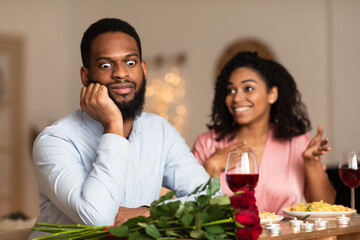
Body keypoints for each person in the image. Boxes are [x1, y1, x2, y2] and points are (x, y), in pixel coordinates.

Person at [30, 18, 210, 236]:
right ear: (86, 76)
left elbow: (209, 198)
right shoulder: (55, 141)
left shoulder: (160, 131)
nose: (121, 73)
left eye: (130, 63)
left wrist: (147, 213)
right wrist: (113, 126)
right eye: (106, 65)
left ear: (143, 69)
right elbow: (98, 218)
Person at [192, 51, 336, 214]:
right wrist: (212, 166)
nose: (237, 97)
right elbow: (191, 211)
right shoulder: (207, 143)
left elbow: (326, 205)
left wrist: (312, 163)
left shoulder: (296, 141)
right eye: (231, 91)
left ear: (272, 94)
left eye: (248, 88)